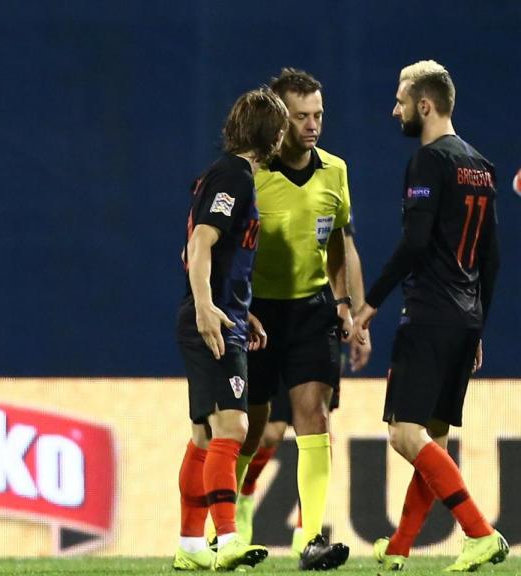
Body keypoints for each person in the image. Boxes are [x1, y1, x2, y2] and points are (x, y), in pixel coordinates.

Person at [355, 60, 506, 572]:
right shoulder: (481, 166)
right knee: (432, 440)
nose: (394, 110)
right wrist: (479, 324)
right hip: (465, 319)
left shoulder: (428, 161)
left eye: (400, 101)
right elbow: (491, 259)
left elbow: (415, 243)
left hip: (429, 315)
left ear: (424, 105)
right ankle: (399, 548)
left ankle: (479, 533)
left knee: (404, 433)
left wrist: (371, 302)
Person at [236, 69, 356, 570]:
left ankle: (311, 539)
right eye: (302, 116)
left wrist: (345, 302)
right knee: (252, 429)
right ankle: (227, 528)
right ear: (280, 120)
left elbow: (340, 243)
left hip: (312, 310)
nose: (313, 126)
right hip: (258, 314)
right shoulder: (250, 175)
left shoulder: (335, 171)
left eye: (319, 115)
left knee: (315, 415)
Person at [173, 87, 288, 572]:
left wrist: (242, 309)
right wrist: (207, 308)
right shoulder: (234, 176)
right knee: (233, 427)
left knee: (205, 436)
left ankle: (190, 545)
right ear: (273, 135)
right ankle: (228, 538)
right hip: (214, 320)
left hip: (225, 315)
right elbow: (200, 243)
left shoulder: (225, 175)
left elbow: (210, 255)